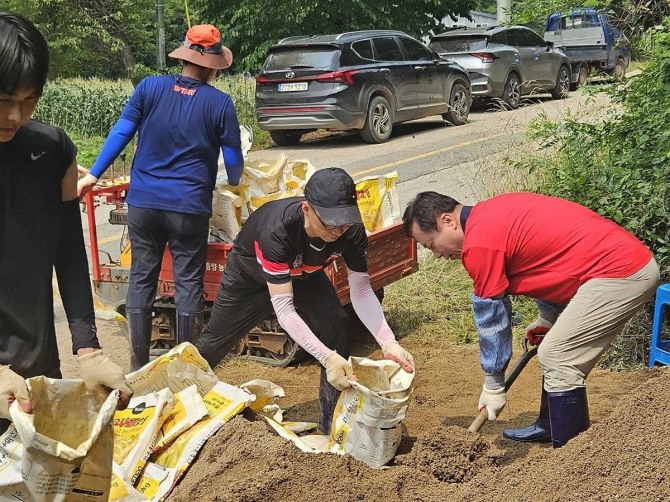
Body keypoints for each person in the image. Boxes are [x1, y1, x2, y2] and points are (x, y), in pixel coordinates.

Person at [402, 191, 659, 448]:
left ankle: (576, 458)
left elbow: (492, 317)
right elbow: (547, 262)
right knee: (553, 346)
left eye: (431, 244)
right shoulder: (489, 214)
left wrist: (493, 385)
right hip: (617, 266)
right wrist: (548, 318)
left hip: (620, 272)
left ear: (448, 221)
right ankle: (550, 424)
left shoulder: (480, 243)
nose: (436, 254)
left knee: (558, 355)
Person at [78, 24, 245, 371]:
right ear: (213, 64)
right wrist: (235, 178)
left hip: (144, 205)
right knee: (188, 284)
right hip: (188, 208)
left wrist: (94, 174)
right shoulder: (220, 103)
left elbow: (122, 130)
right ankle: (184, 367)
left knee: (142, 277)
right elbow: (232, 160)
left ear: (184, 56)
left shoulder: (150, 87)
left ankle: (138, 364)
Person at [196, 168, 415, 433]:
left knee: (336, 323)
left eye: (344, 221)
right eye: (330, 223)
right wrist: (326, 357)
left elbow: (360, 291)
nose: (338, 230)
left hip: (305, 276)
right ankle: (181, 406)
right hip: (248, 279)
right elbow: (284, 309)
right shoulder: (276, 229)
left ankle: (332, 421)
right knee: (213, 344)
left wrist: (388, 342)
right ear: (306, 209)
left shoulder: (351, 231)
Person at [0, 11, 133, 433]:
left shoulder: (51, 151)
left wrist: (88, 348)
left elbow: (70, 255)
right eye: (3, 100)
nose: (16, 116)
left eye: (30, 99)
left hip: (35, 372)